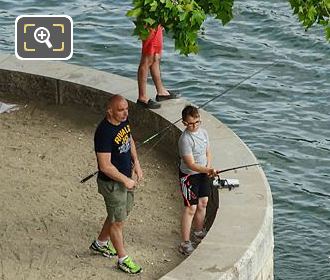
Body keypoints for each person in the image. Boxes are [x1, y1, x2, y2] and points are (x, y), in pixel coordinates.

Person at [89, 94, 143, 274]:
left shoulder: (123, 121)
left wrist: (136, 163)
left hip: (125, 179)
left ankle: (100, 243)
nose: (125, 113)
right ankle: (123, 259)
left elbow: (129, 140)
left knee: (118, 215)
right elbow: (105, 166)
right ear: (110, 111)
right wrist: (125, 180)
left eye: (127, 109)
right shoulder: (103, 132)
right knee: (118, 221)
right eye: (121, 110)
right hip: (112, 184)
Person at [178, 105, 218, 255]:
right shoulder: (185, 140)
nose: (194, 126)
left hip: (203, 173)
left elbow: (208, 153)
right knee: (191, 208)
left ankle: (199, 232)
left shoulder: (204, 133)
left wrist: (208, 167)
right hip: (189, 176)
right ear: (184, 123)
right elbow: (190, 164)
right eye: (190, 123)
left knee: (203, 203)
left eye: (197, 122)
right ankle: (185, 243)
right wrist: (208, 170)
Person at [137, 24, 180, 109]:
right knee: (147, 58)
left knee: (156, 56)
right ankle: (142, 97)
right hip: (149, 22)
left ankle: (161, 91)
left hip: (156, 23)